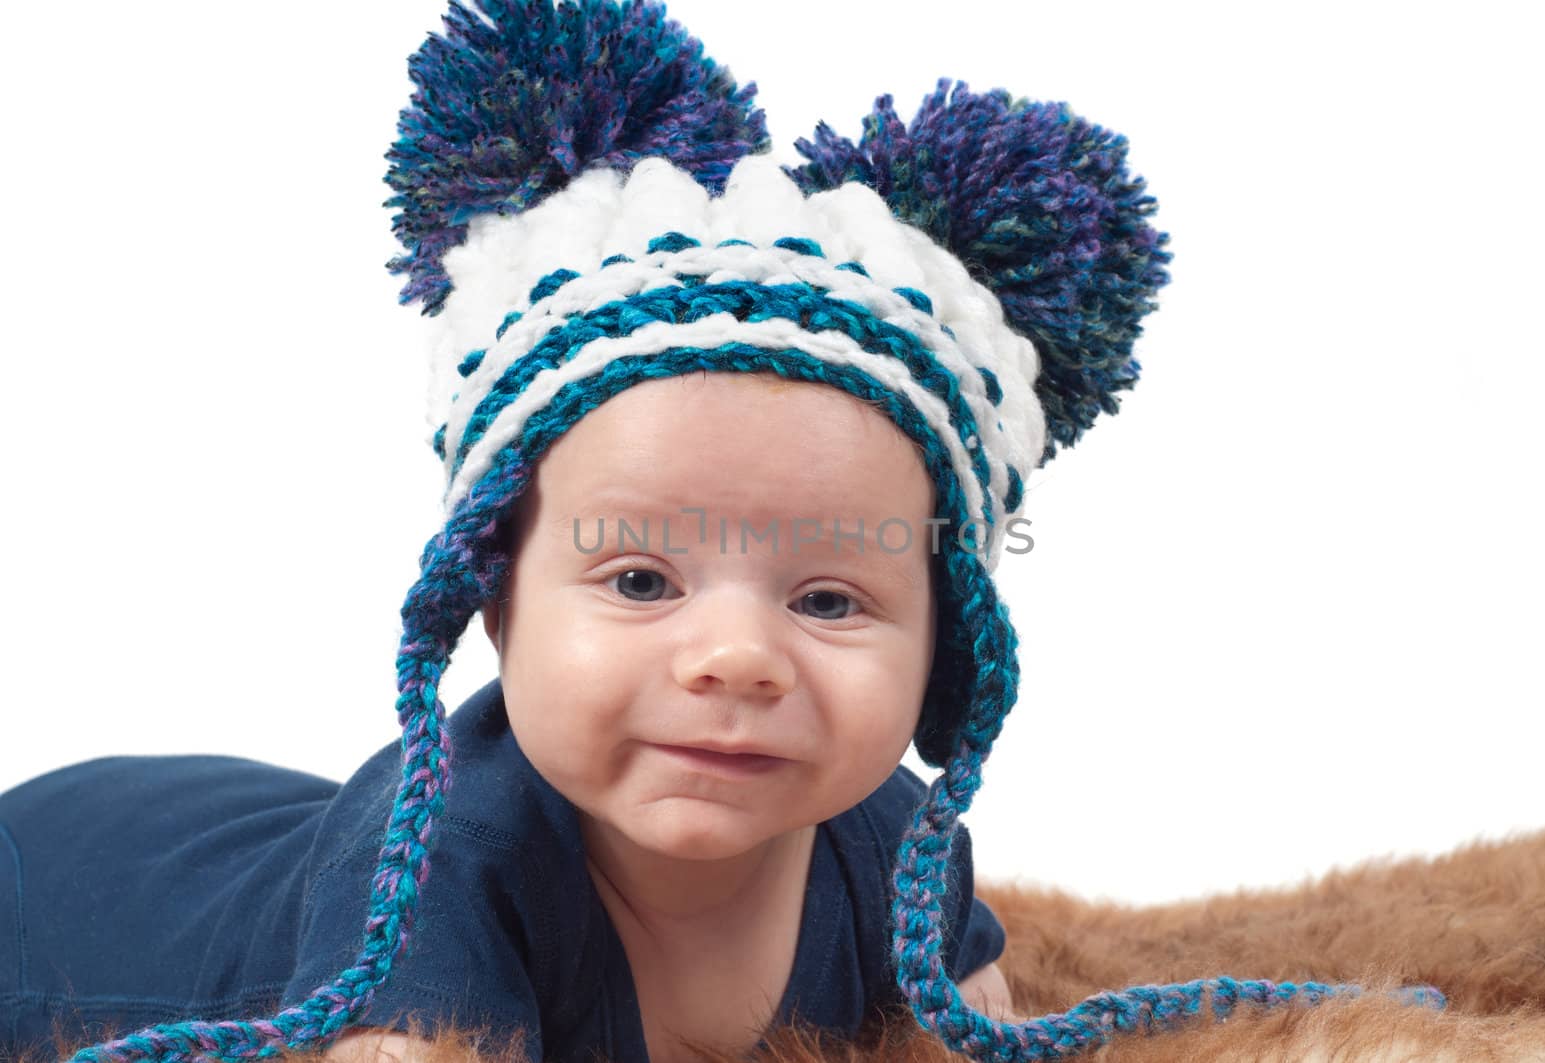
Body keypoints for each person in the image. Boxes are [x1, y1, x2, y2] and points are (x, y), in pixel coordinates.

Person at [9, 1, 1433, 1061]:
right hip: (72, 873)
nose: (738, 655)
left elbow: (979, 1023)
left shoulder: (894, 847)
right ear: (494, 597)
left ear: (949, 647)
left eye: (828, 599)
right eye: (639, 575)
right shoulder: (452, 856)